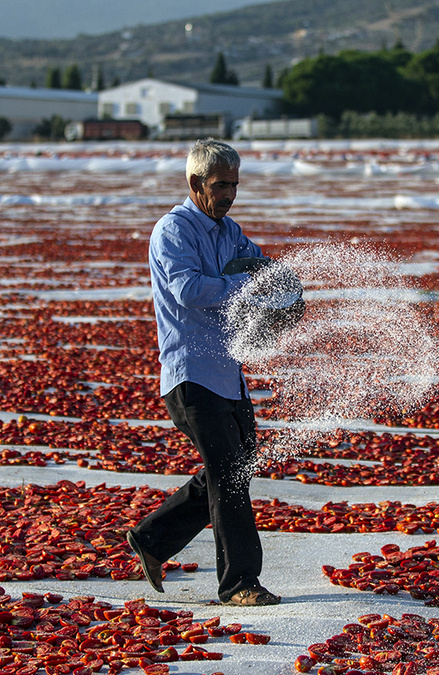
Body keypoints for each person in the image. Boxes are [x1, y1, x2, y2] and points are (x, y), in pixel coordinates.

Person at [126, 138, 280, 606]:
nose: (230, 193)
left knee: (234, 467)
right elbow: (189, 290)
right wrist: (244, 285)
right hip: (190, 374)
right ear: (195, 183)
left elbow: (261, 268)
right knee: (229, 473)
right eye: (220, 185)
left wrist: (279, 289)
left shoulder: (229, 231)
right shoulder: (173, 231)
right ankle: (239, 583)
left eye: (235, 184)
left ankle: (152, 539)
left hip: (227, 373)